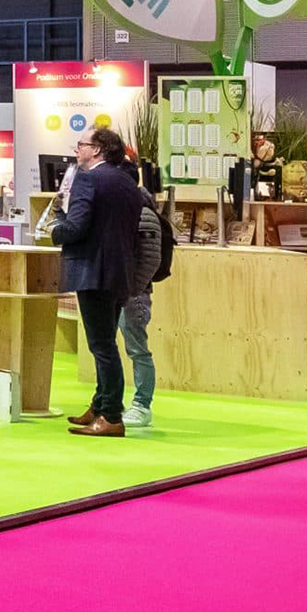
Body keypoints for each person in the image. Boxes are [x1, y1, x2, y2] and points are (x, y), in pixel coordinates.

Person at [51, 125, 143, 437]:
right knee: (105, 342)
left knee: (102, 346)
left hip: (93, 271)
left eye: (82, 144)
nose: (77, 150)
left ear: (98, 150)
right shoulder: (127, 181)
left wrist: (55, 227)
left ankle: (111, 415)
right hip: (119, 271)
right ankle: (101, 404)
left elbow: (76, 227)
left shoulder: (88, 179)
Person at [121, 178, 164, 430]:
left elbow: (150, 258)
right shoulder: (131, 209)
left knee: (137, 349)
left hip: (133, 293)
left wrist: (133, 289)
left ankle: (142, 404)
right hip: (121, 291)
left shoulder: (143, 214)